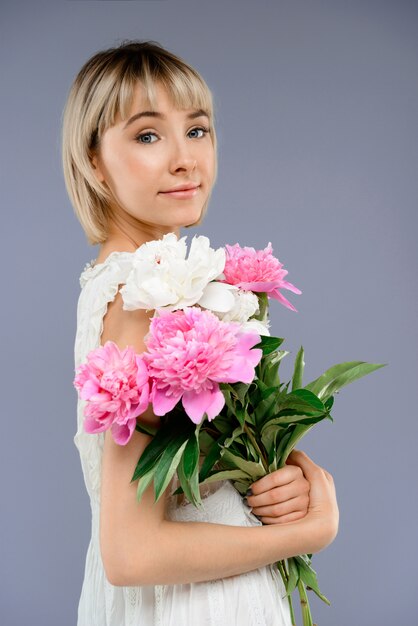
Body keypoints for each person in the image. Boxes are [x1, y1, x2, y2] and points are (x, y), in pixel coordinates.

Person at [62, 39, 339, 626]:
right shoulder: (141, 295)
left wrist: (280, 473)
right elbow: (132, 551)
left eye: (197, 130)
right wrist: (310, 531)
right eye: (146, 135)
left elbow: (187, 472)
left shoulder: (132, 283)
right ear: (92, 160)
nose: (186, 159)